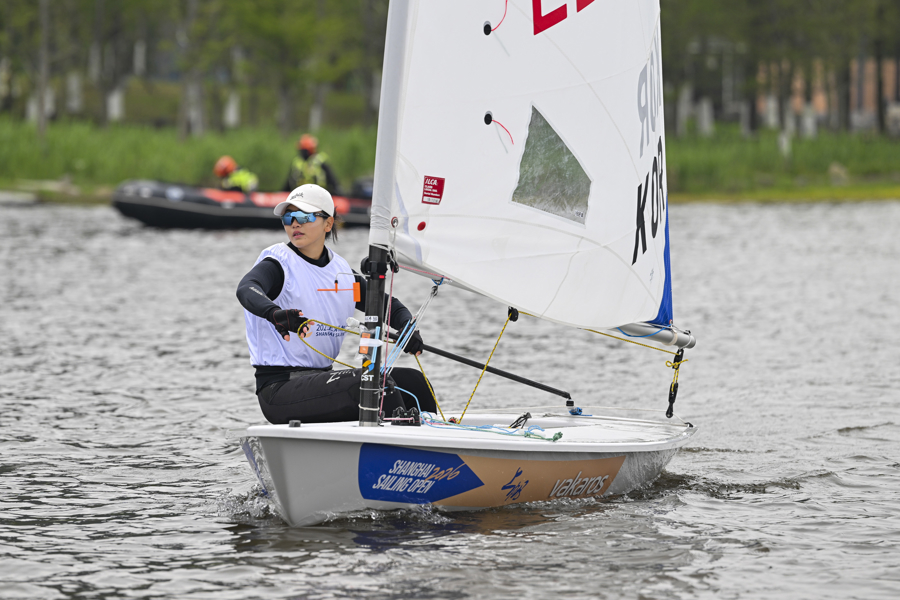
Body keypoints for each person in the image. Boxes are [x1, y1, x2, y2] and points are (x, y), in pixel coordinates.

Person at [235, 183, 437, 424]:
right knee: (373, 383)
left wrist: (406, 327)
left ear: (328, 223)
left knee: (415, 382)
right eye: (288, 218)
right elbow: (246, 288)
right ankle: (400, 441)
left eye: (304, 216)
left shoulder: (341, 272)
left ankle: (432, 439)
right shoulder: (278, 264)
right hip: (280, 388)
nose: (295, 224)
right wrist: (274, 313)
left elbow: (385, 304)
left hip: (319, 380)